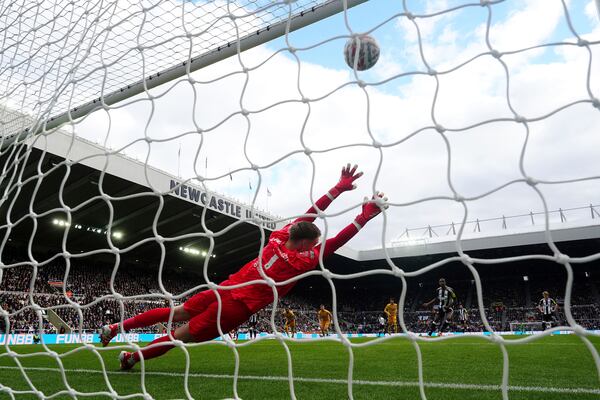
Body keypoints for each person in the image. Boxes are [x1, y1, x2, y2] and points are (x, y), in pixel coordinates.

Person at [99, 164, 387, 370]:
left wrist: (337, 189)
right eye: (314, 242)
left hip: (227, 287)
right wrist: (365, 216)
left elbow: (309, 215)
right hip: (239, 306)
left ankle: (115, 327)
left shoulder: (278, 237)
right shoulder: (302, 261)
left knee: (178, 311)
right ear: (304, 244)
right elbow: (337, 241)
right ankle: (130, 359)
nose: (317, 244)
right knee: (181, 336)